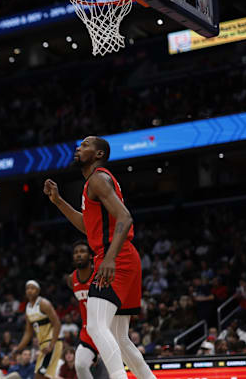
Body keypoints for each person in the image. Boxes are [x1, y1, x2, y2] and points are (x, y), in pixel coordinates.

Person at [44, 136, 155, 379]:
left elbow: (125, 218)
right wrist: (59, 201)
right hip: (123, 257)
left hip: (117, 258)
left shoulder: (98, 178)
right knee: (120, 338)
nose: (78, 148)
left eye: (85, 145)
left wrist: (109, 259)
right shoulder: (93, 184)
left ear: (98, 154)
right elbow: (89, 227)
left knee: (95, 326)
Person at [13, 280, 62, 379]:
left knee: (40, 376)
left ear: (38, 291)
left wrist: (51, 345)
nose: (29, 290)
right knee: (44, 376)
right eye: (27, 288)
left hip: (52, 343)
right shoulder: (27, 308)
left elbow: (57, 324)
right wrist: (18, 349)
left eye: (32, 288)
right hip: (43, 345)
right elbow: (28, 333)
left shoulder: (44, 304)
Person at [66, 241, 101, 379]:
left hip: (107, 329)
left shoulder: (100, 274)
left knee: (114, 371)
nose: (78, 255)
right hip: (88, 332)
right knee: (80, 365)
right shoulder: (71, 279)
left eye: (82, 251)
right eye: (75, 253)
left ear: (91, 256)